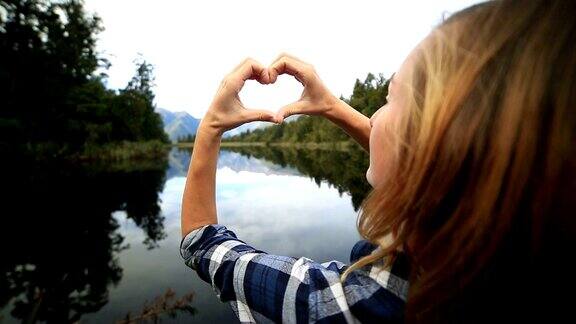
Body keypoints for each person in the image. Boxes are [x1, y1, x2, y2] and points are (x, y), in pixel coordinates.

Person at [180, 0, 576, 322]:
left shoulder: (364, 305)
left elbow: (203, 243)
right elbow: (419, 161)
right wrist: (331, 106)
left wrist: (211, 126)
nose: (374, 118)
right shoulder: (513, 256)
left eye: (388, 99)